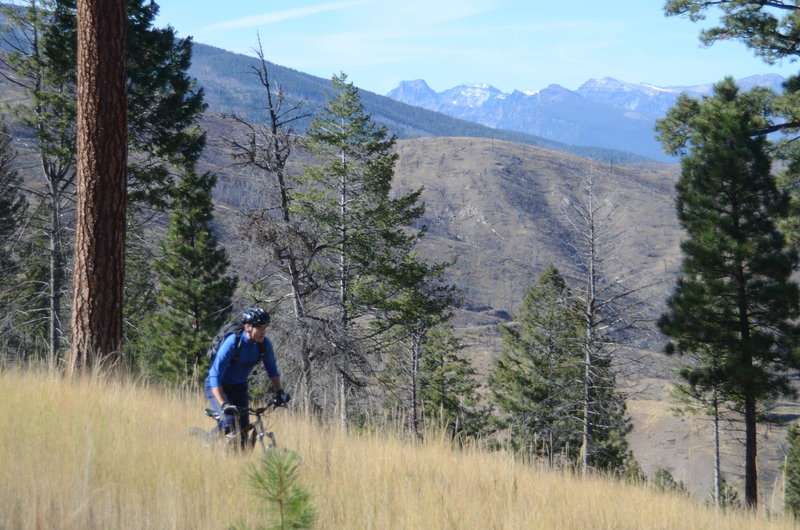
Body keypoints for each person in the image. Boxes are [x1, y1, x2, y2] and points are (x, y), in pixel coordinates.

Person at [204, 307, 290, 442]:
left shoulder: (264, 345)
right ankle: (208, 444)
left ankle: (238, 459)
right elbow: (215, 374)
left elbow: (272, 370)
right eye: (260, 328)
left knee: (244, 430)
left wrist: (280, 392)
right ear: (248, 327)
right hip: (218, 386)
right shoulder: (233, 343)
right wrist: (223, 403)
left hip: (239, 388)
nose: (263, 332)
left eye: (265, 328)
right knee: (229, 421)